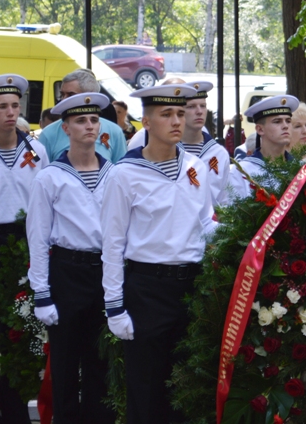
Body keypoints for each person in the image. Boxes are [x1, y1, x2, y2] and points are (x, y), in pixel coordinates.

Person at [101, 83, 216, 423]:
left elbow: (206, 223)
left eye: (180, 113)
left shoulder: (196, 166)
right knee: (145, 391)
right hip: (147, 289)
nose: (177, 121)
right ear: (147, 122)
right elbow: (112, 243)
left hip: (191, 287)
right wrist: (114, 306)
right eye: (166, 114)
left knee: (185, 391)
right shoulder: (124, 174)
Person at [27, 92, 115, 424]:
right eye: (81, 120)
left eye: (94, 119)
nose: (89, 126)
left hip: (104, 274)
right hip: (67, 273)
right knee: (64, 365)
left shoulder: (114, 173)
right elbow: (37, 236)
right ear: (65, 128)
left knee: (101, 364)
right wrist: (42, 292)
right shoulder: (50, 177)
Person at [0, 74, 48, 424]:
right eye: (2, 107)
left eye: (15, 106)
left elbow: (45, 205)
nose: (10, 113)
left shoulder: (36, 150)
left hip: (23, 244)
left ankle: (17, 412)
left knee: (21, 333)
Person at [40, 69, 127, 163]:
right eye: (62, 94)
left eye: (70, 94)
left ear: (89, 96)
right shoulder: (48, 133)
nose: (63, 100)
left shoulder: (114, 131)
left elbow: (121, 172)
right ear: (65, 128)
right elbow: (42, 172)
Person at [229, 95, 300, 199]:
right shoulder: (241, 171)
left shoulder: (300, 169)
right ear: (260, 130)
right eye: (277, 121)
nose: (285, 126)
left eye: (288, 121)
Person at [178, 81, 231, 208]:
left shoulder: (219, 152)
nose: (199, 111)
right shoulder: (168, 150)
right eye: (191, 107)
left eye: (203, 106)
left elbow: (225, 199)